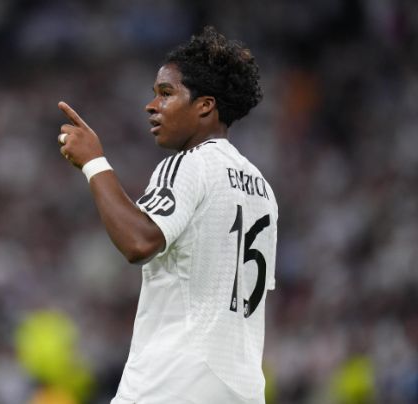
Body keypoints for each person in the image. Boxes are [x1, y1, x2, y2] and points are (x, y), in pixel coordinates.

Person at [56, 26, 278, 404]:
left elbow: (139, 242)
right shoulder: (262, 188)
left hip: (173, 383)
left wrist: (94, 162)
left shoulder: (190, 164)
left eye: (166, 93)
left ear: (204, 105)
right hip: (241, 387)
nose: (151, 105)